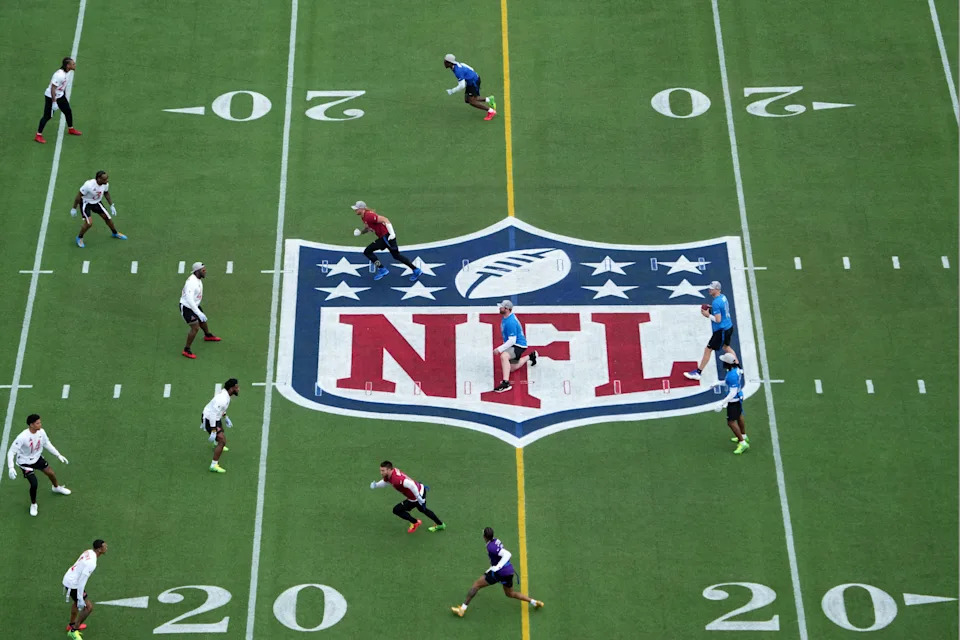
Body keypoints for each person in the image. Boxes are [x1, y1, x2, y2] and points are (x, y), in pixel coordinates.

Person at [451, 527, 544, 617]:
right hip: (509, 571)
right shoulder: (495, 541)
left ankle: (462, 609)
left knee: (476, 585)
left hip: (499, 572)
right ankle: (534, 602)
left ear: (484, 537)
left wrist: (497, 567)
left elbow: (508, 554)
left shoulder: (491, 547)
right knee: (510, 593)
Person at [6, 413, 71, 517]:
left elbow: (47, 444)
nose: (40, 424)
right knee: (34, 483)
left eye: (40, 422)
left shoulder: (41, 432)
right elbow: (11, 452)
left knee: (51, 473)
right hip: (25, 462)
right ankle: (33, 504)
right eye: (38, 423)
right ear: (31, 425)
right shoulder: (22, 437)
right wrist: (11, 467)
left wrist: (58, 454)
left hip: (37, 458)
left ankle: (56, 487)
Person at [351, 201, 421, 282]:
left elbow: (385, 219)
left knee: (367, 252)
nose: (355, 210)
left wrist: (392, 233)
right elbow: (368, 228)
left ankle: (382, 269)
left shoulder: (369, 216)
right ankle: (415, 270)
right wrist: (361, 232)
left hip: (386, 237)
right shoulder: (364, 217)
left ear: (361, 209)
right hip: (384, 237)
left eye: (356, 209)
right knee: (396, 256)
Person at [369, 460, 445, 533]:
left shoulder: (396, 479)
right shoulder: (391, 473)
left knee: (397, 510)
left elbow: (411, 485)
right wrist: (376, 485)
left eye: (383, 471)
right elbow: (385, 482)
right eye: (381, 470)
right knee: (423, 510)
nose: (381, 472)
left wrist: (418, 497)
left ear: (389, 470)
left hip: (415, 496)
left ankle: (415, 522)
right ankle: (440, 524)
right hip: (420, 489)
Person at [684, 280, 736, 381]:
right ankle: (738, 368)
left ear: (717, 290)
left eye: (711, 289)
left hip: (721, 330)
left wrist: (708, 315)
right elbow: (722, 310)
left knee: (708, 349)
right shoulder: (723, 297)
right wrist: (712, 308)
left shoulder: (716, 302)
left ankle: (698, 372)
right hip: (728, 326)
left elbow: (718, 319)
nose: (709, 290)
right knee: (726, 347)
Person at [63, 539, 108, 639]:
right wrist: (80, 598)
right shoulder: (92, 563)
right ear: (99, 549)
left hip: (69, 578)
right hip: (73, 583)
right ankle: (74, 631)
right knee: (88, 607)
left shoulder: (89, 552)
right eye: (104, 546)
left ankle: (71, 625)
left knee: (76, 602)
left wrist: (78, 599)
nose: (106, 547)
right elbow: (82, 582)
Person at [70, 171, 127, 247]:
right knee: (89, 223)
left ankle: (115, 233)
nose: (107, 181)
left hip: (97, 202)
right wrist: (74, 208)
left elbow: (106, 193)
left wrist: (111, 205)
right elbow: (78, 196)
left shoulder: (105, 184)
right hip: (86, 203)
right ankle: (79, 237)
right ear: (99, 179)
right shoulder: (88, 185)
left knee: (107, 218)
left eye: (107, 179)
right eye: (105, 179)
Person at [493, 300, 537, 393]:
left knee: (504, 356)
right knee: (511, 368)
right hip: (515, 344)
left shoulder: (510, 322)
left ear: (507, 309)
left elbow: (512, 340)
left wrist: (499, 349)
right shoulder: (507, 318)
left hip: (518, 345)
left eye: (501, 307)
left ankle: (506, 383)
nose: (499, 308)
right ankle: (531, 356)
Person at [35, 57, 82, 144]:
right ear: (68, 65)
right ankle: (38, 135)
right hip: (51, 97)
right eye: (73, 64)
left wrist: (63, 96)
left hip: (60, 96)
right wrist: (54, 102)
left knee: (68, 111)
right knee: (47, 116)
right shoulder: (59, 75)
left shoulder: (67, 72)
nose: (75, 65)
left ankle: (71, 129)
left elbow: (61, 87)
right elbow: (53, 88)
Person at [179, 262, 221, 359]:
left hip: (194, 305)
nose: (205, 272)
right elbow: (189, 300)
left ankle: (208, 335)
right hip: (187, 307)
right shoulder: (191, 283)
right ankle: (186, 349)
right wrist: (198, 312)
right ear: (197, 271)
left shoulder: (197, 279)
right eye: (203, 270)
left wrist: (198, 312)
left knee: (203, 320)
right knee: (195, 327)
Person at [443, 54, 497, 121]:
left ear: (449, 63)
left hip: (473, 82)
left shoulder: (458, 71)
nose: (444, 63)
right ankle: (489, 99)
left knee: (471, 101)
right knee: (468, 99)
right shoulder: (459, 64)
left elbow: (462, 85)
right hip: (473, 80)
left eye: (445, 61)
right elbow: (471, 68)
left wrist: (452, 91)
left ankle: (491, 111)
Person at [201, 378, 239, 473]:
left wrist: (226, 417)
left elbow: (220, 410)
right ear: (231, 388)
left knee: (221, 432)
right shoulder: (222, 398)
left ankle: (216, 443)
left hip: (215, 418)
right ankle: (214, 465)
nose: (238, 389)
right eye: (236, 387)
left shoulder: (226, 396)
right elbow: (213, 414)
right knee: (222, 441)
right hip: (209, 418)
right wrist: (213, 430)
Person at [716, 353, 749, 455]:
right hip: (739, 397)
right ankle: (743, 436)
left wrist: (722, 403)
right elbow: (729, 383)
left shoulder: (732, 375)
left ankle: (742, 443)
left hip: (734, 400)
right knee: (739, 416)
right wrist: (718, 383)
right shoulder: (736, 370)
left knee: (730, 422)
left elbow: (732, 393)